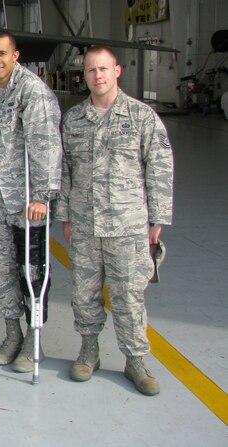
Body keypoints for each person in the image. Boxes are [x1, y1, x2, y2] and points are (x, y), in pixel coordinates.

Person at [53, 46, 173, 396]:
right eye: (91, 70)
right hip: (85, 224)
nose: (98, 76)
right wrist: (65, 215)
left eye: (103, 69)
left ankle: (136, 360)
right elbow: (65, 171)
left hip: (128, 225)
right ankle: (89, 351)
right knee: (84, 293)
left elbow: (159, 166)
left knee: (128, 296)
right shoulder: (74, 120)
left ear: (117, 71)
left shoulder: (141, 116)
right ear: (85, 76)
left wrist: (157, 218)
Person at [0, 29, 62, 373]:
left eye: (2, 54)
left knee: (33, 271)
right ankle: (11, 334)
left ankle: (34, 340)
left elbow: (45, 143)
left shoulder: (32, 90)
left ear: (15, 55)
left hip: (28, 199)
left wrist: (43, 195)